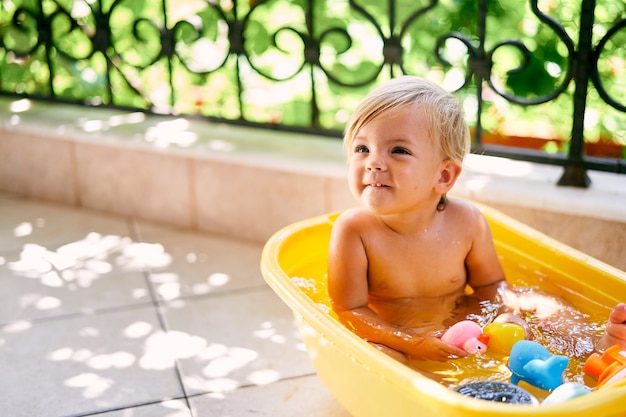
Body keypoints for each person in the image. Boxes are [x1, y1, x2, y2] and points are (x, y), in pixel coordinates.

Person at [327, 75, 626, 365]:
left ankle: (594, 355)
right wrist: (410, 342)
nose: (374, 162)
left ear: (443, 175)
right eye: (362, 148)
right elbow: (350, 311)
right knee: (379, 358)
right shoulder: (354, 231)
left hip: (462, 323)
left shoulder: (467, 222)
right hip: (395, 334)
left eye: (398, 151)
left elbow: (491, 285)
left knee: (546, 303)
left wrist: (504, 316)